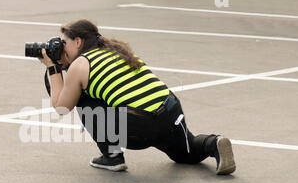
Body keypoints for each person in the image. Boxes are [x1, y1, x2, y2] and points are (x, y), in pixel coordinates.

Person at [38, 19, 235, 175]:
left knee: (82, 97)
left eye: (64, 43)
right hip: (171, 111)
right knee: (187, 152)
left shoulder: (80, 64)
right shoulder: (116, 50)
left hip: (140, 125)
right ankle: (214, 143)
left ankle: (112, 156)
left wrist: (53, 68)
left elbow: (62, 107)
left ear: (78, 41)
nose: (61, 48)